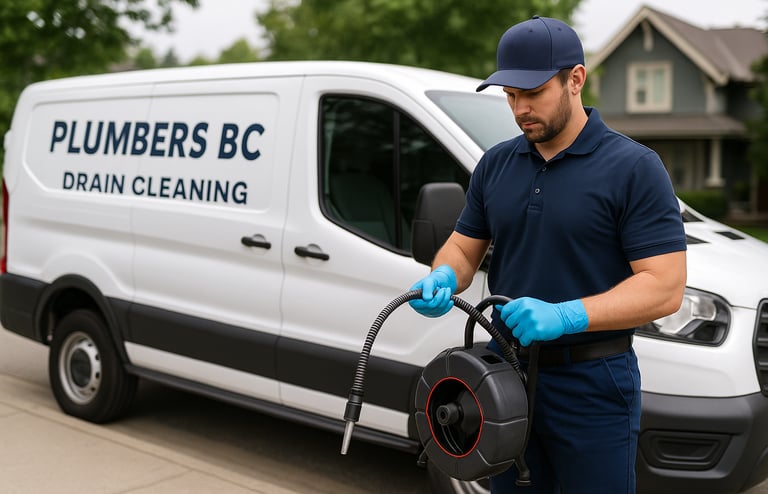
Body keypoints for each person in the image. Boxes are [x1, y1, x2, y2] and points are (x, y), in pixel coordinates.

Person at [408, 15, 687, 494]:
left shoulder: (634, 168)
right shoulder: (496, 164)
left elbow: (665, 287)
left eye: (532, 93)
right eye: (510, 96)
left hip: (594, 385)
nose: (519, 109)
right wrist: (443, 277)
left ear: (575, 79)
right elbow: (462, 248)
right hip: (503, 379)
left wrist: (567, 315)